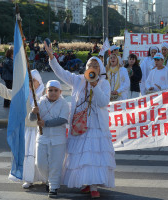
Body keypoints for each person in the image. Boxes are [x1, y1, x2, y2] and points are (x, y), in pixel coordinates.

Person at [45, 41, 116, 199]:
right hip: (79, 123)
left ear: (100, 69)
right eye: (90, 65)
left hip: (96, 125)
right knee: (81, 155)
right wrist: (52, 57)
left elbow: (104, 102)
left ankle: (94, 186)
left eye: (96, 66)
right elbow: (61, 73)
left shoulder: (104, 84)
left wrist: (95, 85)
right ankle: (86, 182)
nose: (93, 67)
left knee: (94, 155)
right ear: (86, 67)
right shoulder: (78, 80)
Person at [0, 69, 45, 189]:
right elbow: (8, 93)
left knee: (41, 156)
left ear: (39, 81)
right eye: (29, 81)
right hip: (27, 130)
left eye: (33, 81)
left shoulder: (46, 93)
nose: (30, 83)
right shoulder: (23, 93)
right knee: (27, 155)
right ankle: (28, 179)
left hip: (41, 130)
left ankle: (44, 177)